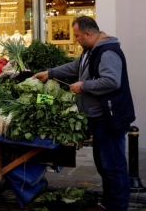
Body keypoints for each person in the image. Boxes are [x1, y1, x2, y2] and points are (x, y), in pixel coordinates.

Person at [32, 16, 135, 211]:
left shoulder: (108, 52)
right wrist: (50, 73)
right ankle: (109, 202)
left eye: (78, 36)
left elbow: (112, 81)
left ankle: (118, 206)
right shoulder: (90, 51)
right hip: (99, 117)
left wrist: (84, 86)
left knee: (113, 165)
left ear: (88, 34)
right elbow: (75, 67)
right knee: (103, 164)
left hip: (110, 117)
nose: (75, 40)